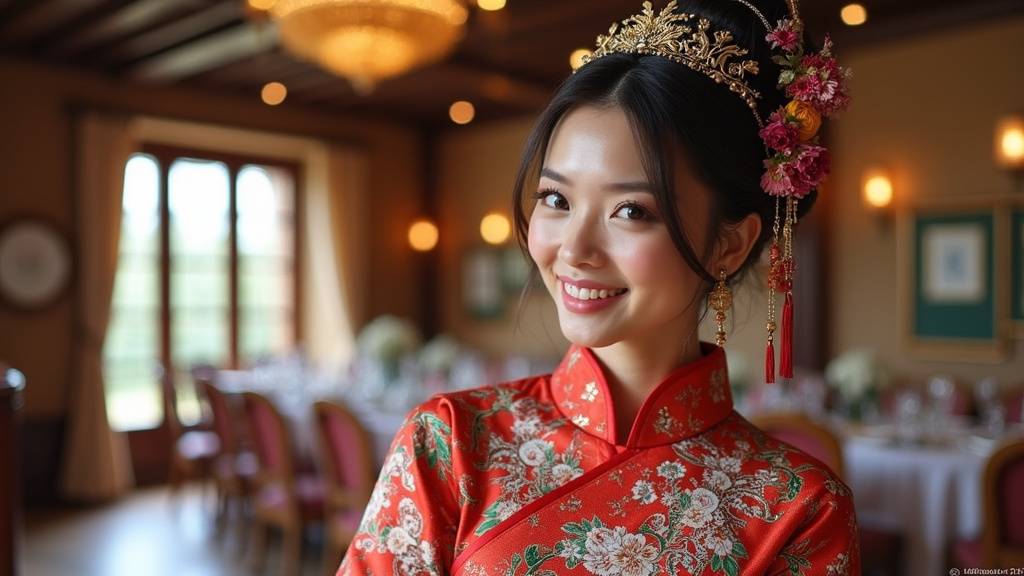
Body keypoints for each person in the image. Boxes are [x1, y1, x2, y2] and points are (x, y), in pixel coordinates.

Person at [339, 0, 859, 573]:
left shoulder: (797, 507)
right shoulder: (451, 443)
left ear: (728, 245)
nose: (575, 250)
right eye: (556, 200)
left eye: (631, 211)